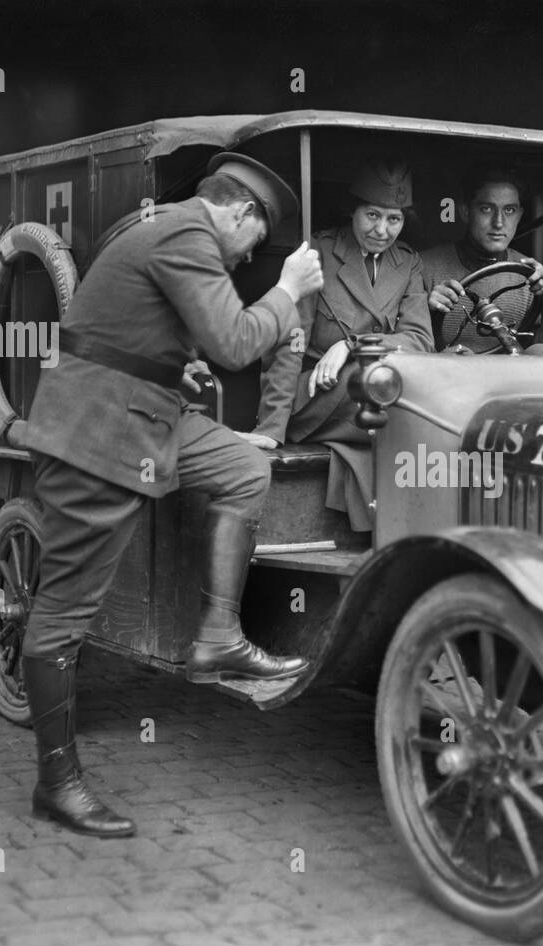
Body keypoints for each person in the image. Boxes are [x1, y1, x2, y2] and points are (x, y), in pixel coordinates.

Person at [17, 154, 324, 837]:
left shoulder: (168, 230)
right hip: (96, 432)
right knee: (65, 612)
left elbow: (118, 329)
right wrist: (288, 287)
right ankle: (56, 782)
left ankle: (217, 637)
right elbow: (237, 342)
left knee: (245, 471)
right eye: (253, 242)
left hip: (144, 412)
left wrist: (168, 364)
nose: (248, 259)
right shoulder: (188, 237)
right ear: (240, 213)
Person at [254, 160, 433, 531]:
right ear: (352, 210)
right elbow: (290, 343)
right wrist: (271, 428)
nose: (382, 230)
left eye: (394, 219)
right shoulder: (318, 252)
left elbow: (419, 341)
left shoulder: (408, 263)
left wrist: (352, 345)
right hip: (320, 395)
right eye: (372, 215)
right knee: (369, 381)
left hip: (375, 392)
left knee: (397, 383)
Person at [421, 166, 543, 355]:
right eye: (486, 209)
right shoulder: (423, 267)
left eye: (509, 210)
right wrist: (424, 310)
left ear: (519, 216)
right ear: (465, 212)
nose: (499, 223)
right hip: (448, 380)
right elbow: (406, 349)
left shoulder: (530, 275)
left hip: (511, 382)